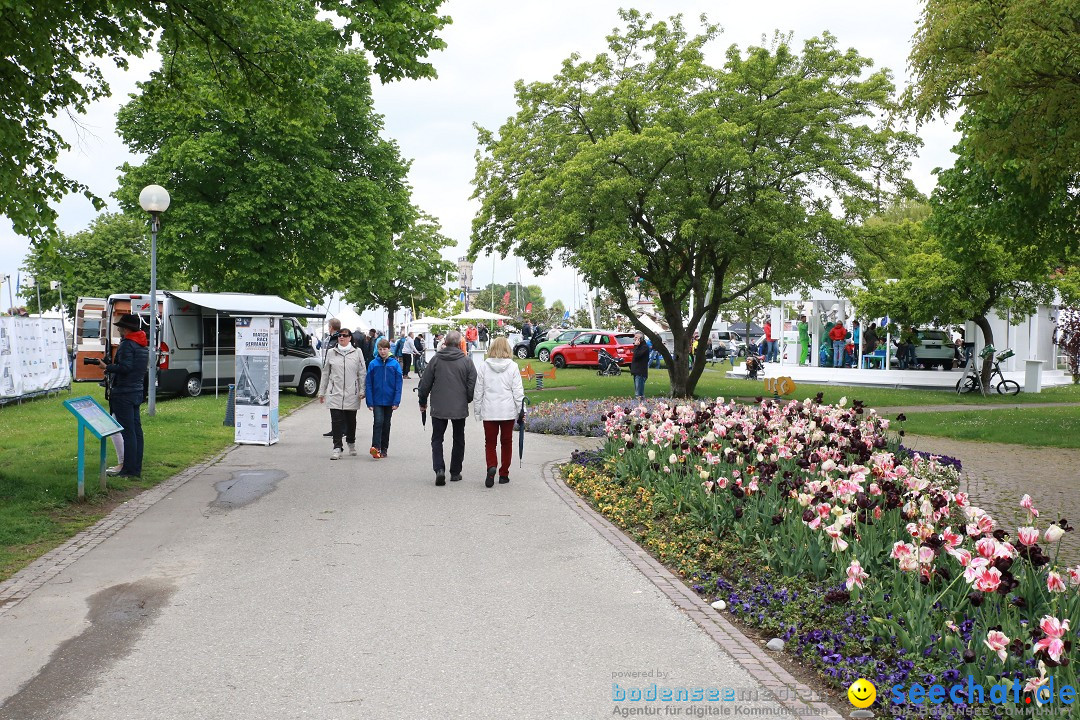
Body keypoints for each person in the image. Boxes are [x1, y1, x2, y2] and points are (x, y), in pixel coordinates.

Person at [89, 314, 149, 477]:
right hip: (136, 391)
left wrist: (107, 367)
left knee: (128, 432)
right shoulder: (142, 345)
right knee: (136, 431)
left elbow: (125, 367)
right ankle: (135, 468)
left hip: (124, 392)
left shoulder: (127, 344)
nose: (118, 328)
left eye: (120, 326)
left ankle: (128, 469)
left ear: (127, 328)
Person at [417, 330, 476, 486]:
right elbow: (472, 383)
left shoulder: (436, 360)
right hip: (459, 405)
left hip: (439, 405)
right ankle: (455, 472)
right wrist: (467, 399)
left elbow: (425, 383)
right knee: (458, 438)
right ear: (459, 344)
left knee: (437, 438)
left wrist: (422, 401)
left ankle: (439, 469)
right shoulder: (466, 361)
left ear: (445, 343)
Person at [474, 337, 525, 487]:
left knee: (490, 442)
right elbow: (518, 391)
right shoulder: (513, 367)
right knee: (506, 442)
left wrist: (477, 411)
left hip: (489, 410)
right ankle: (504, 473)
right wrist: (522, 410)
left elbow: (479, 391)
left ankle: (491, 466)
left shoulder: (484, 366)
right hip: (507, 411)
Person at [318, 328, 366, 460]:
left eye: (345, 335)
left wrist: (362, 390)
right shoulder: (331, 353)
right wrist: (322, 392)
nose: (341, 338)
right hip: (335, 392)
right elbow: (326, 372)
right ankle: (337, 447)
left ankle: (351, 441)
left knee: (351, 421)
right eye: (339, 335)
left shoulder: (357, 352)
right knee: (336, 421)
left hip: (352, 393)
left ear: (350, 338)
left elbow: (362, 372)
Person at [365, 338, 402, 459]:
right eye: (380, 349)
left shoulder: (394, 364)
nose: (382, 352)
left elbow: (398, 384)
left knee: (386, 424)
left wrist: (396, 401)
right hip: (376, 400)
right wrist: (369, 401)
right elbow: (369, 383)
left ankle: (384, 447)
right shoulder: (373, 364)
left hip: (390, 399)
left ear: (388, 349)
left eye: (384, 349)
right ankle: (376, 447)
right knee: (378, 422)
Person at [630, 331, 650, 400]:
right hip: (636, 372)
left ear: (640, 339)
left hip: (640, 372)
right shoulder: (639, 347)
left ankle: (641, 407)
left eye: (636, 337)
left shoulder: (644, 347)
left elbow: (636, 355)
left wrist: (636, 346)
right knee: (637, 393)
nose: (634, 339)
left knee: (639, 394)